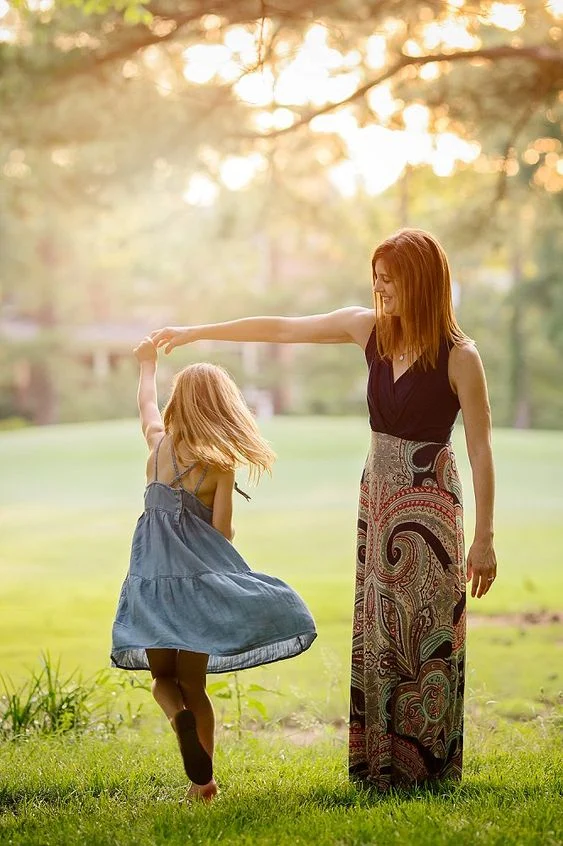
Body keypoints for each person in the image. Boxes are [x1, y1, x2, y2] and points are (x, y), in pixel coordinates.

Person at [150, 228, 498, 791]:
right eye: (377, 278)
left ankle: (429, 769)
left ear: (424, 283)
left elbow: (480, 448)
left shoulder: (461, 356)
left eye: (392, 280)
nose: (381, 290)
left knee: (428, 631)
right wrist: (197, 331)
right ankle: (379, 768)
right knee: (380, 631)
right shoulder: (369, 331)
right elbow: (284, 328)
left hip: (431, 504)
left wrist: (483, 539)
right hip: (379, 500)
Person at [111, 341, 317, 802]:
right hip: (198, 590)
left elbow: (146, 402)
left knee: (163, 681)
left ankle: (175, 718)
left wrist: (147, 362)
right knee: (195, 687)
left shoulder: (157, 445)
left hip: (151, 582)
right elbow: (223, 534)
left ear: (179, 402)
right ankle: (203, 785)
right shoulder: (220, 468)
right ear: (220, 408)